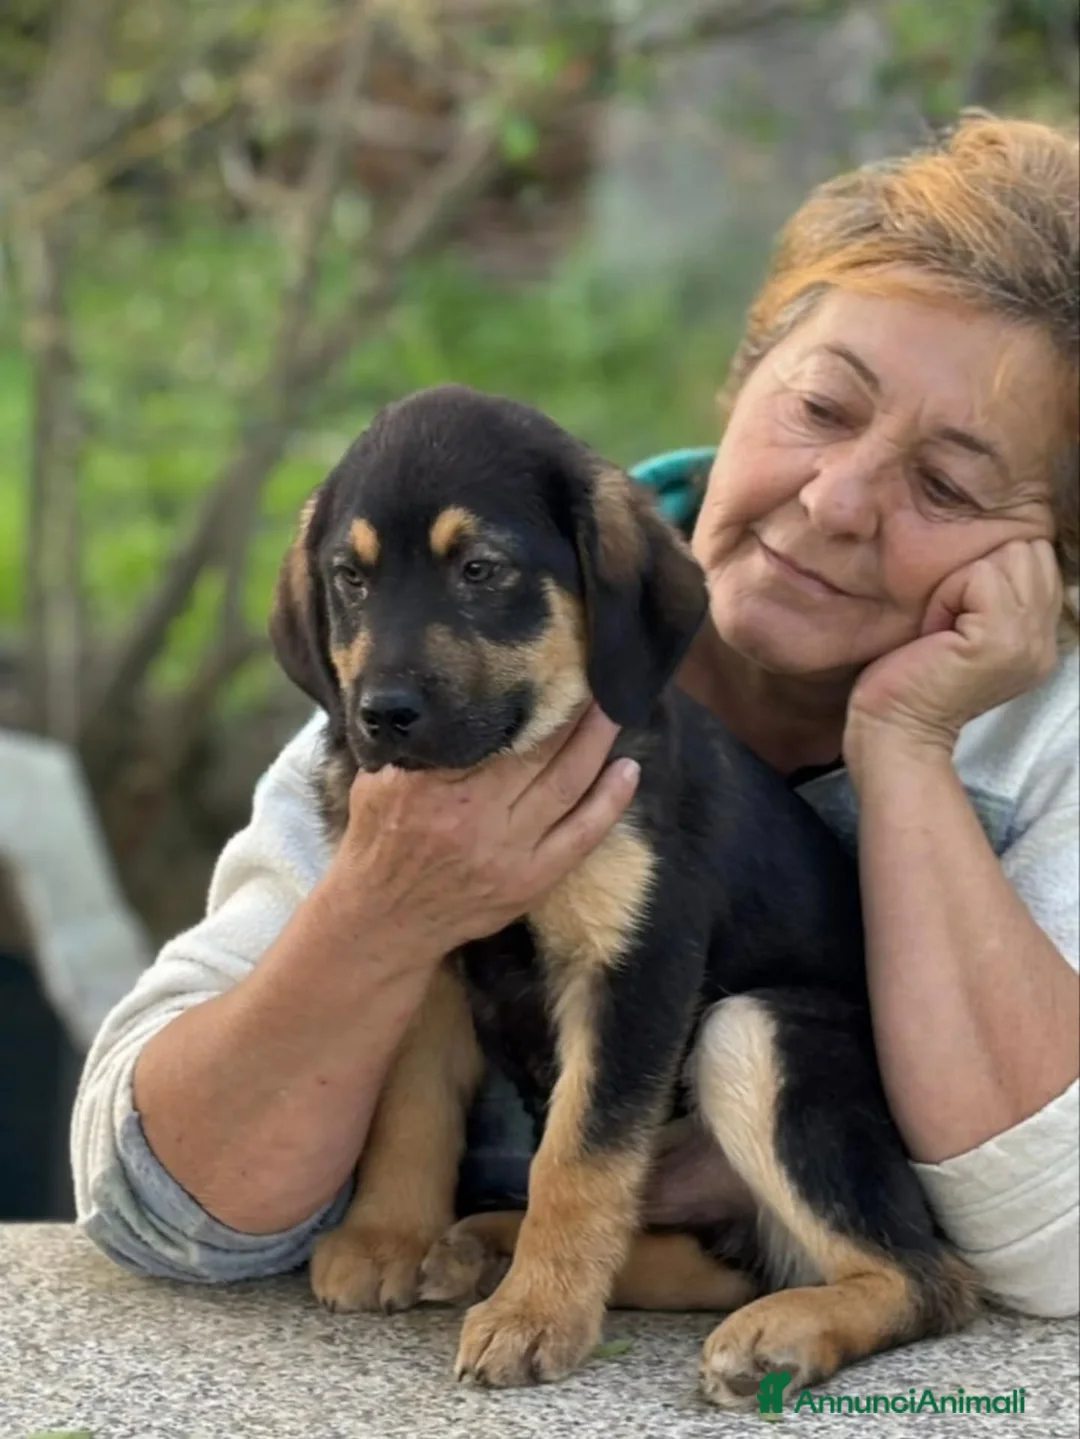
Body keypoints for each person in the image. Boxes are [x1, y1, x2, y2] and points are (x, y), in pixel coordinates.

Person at [72, 111, 1078, 1317]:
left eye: (948, 483)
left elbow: (1055, 1253)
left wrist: (909, 748)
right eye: (822, 405)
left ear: (1053, 553)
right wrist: (387, 909)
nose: (841, 499)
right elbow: (149, 1204)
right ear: (740, 378)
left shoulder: (1050, 750)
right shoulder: (444, 693)